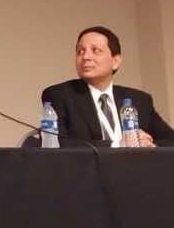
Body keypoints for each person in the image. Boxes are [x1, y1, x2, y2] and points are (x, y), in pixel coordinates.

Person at [41, 26, 174, 147]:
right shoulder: (60, 95)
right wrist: (117, 144)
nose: (86, 57)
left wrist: (148, 144)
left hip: (137, 169)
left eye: (95, 50)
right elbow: (61, 145)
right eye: (80, 51)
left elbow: (170, 141)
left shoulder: (139, 100)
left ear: (115, 61)